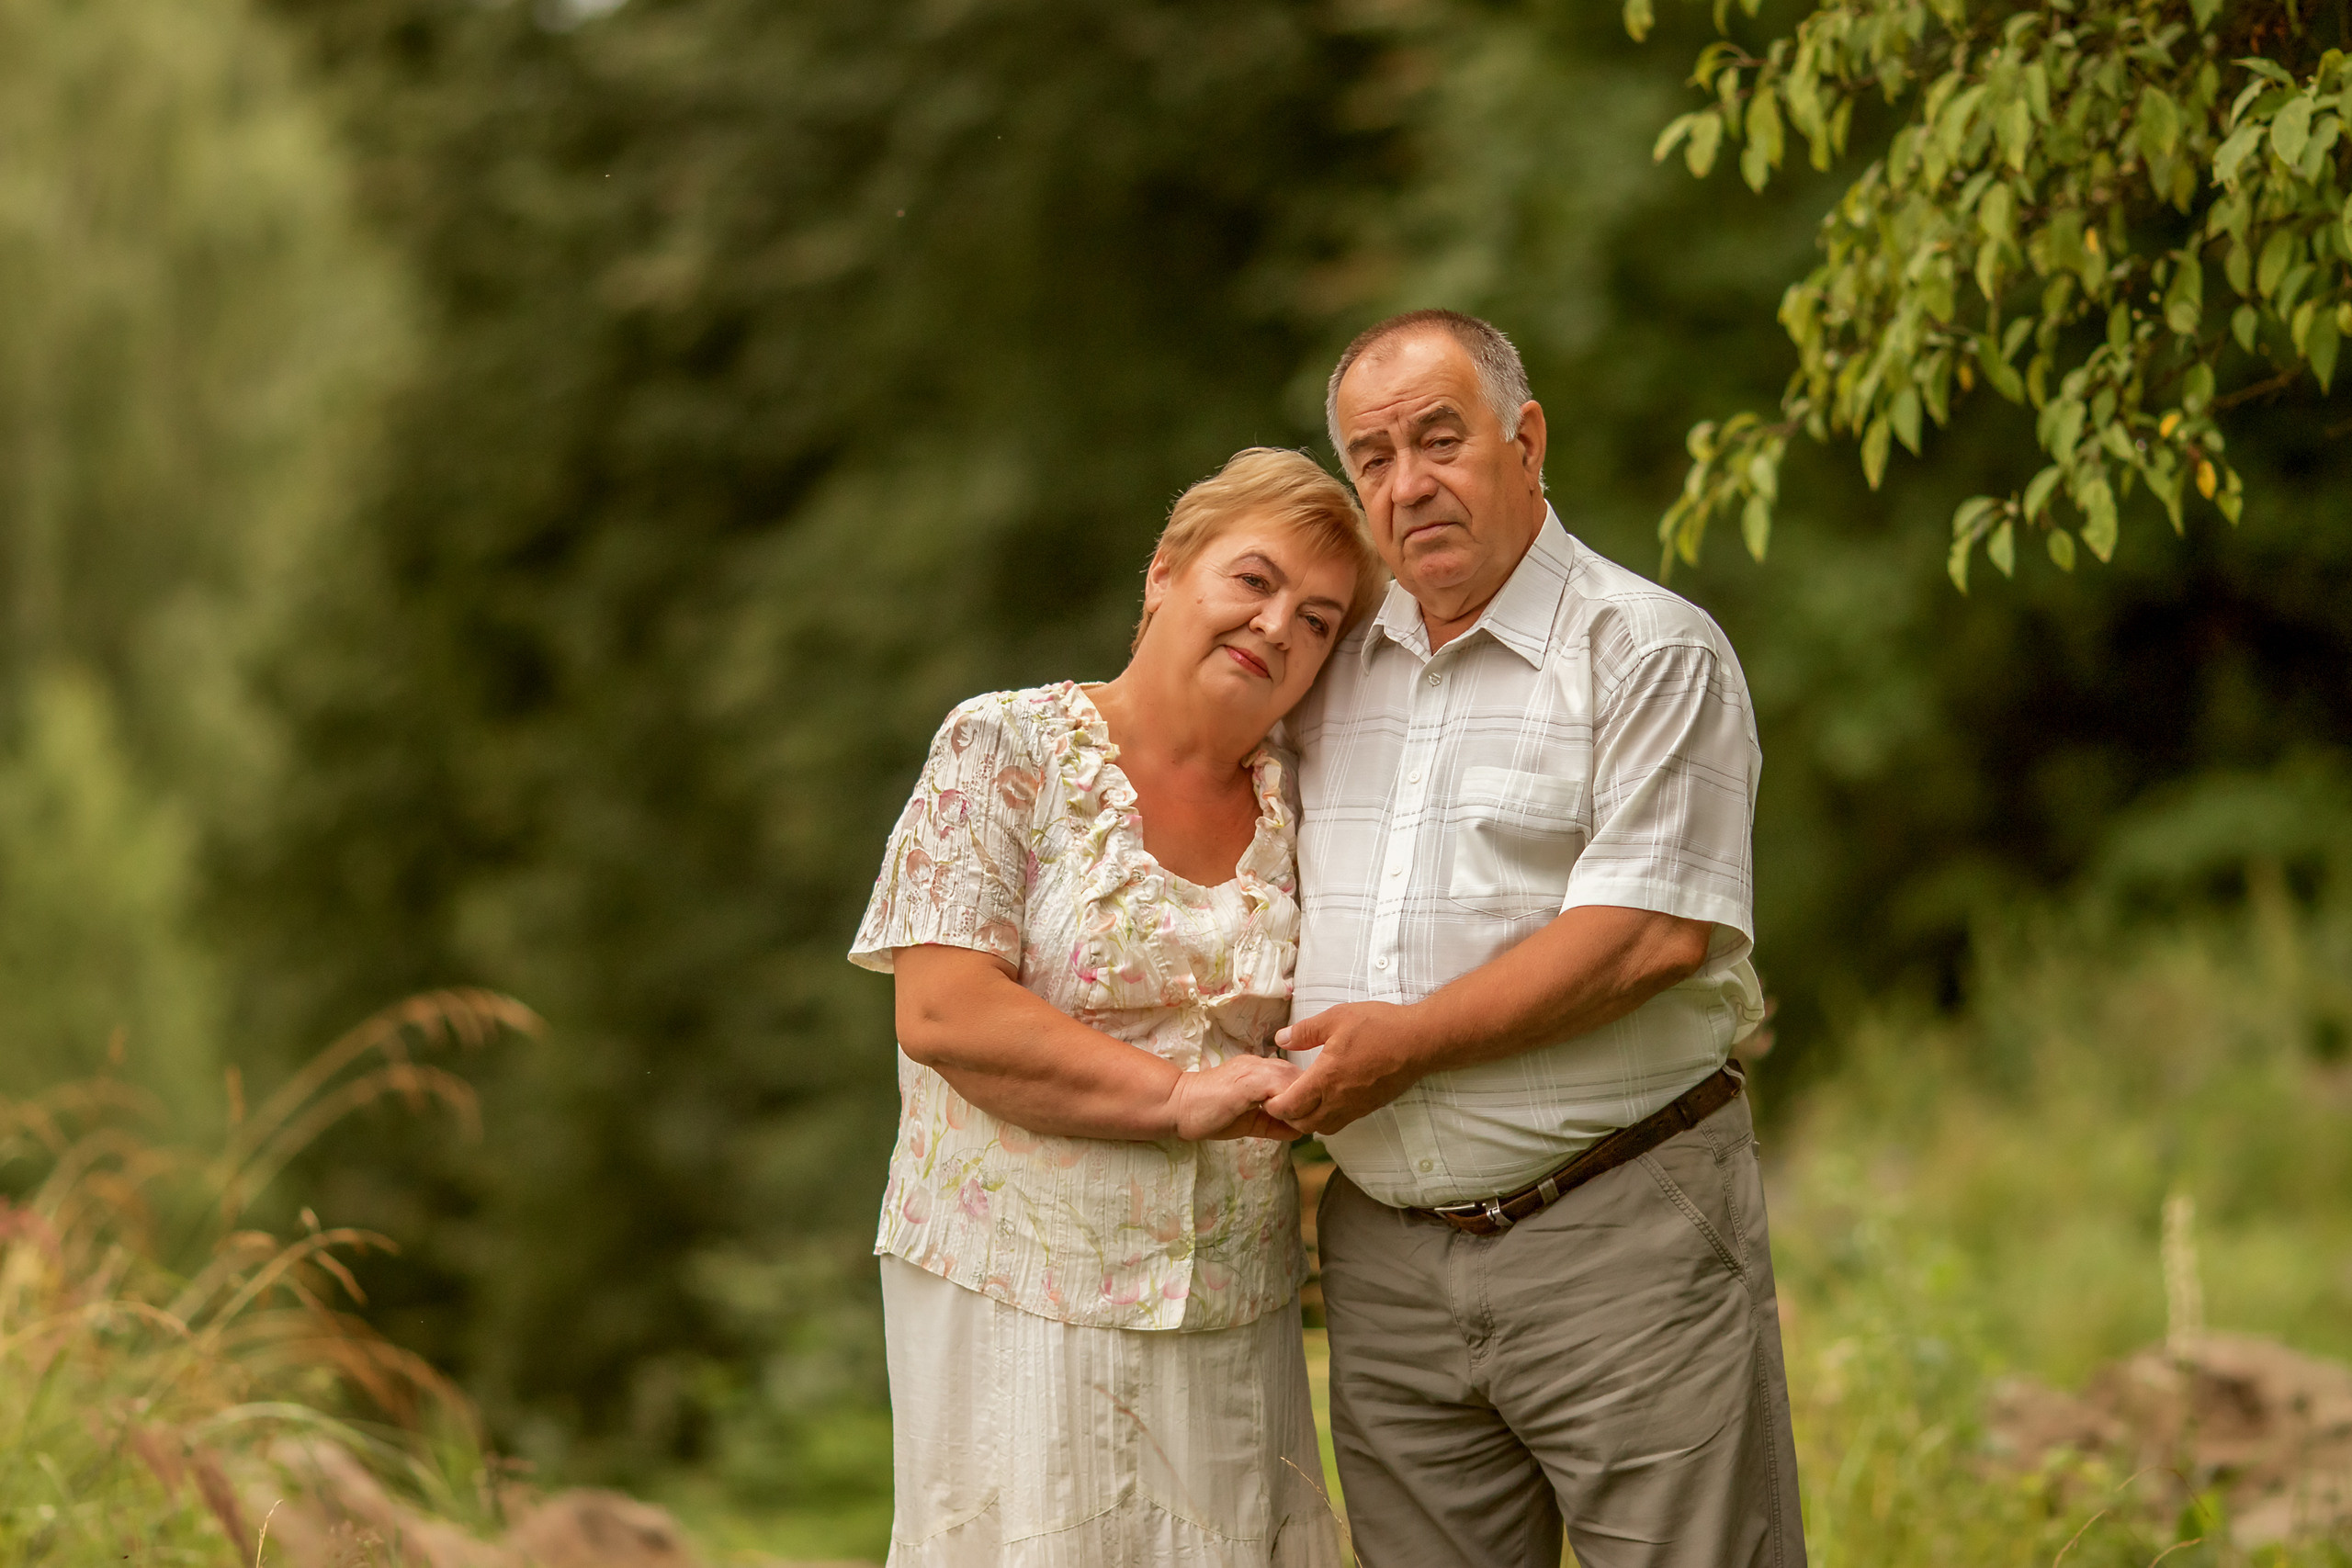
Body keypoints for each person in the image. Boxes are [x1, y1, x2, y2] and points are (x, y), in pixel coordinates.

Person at [1265, 310, 1804, 1568]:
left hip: (1622, 1231)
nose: (1410, 485)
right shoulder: (1327, 669)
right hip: (1387, 1259)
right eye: (1374, 458)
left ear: (1527, 439)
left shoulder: (1649, 650)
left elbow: (1650, 933)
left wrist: (1404, 1045)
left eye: (1439, 439)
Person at [850, 447, 1385, 1566]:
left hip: (1229, 1308)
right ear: (1163, 574)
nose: (1279, 623)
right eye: (1253, 580)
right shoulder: (1006, 748)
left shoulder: (1310, 795)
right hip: (1018, 1284)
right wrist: (1180, 1095)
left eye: (1320, 617)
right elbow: (943, 1015)